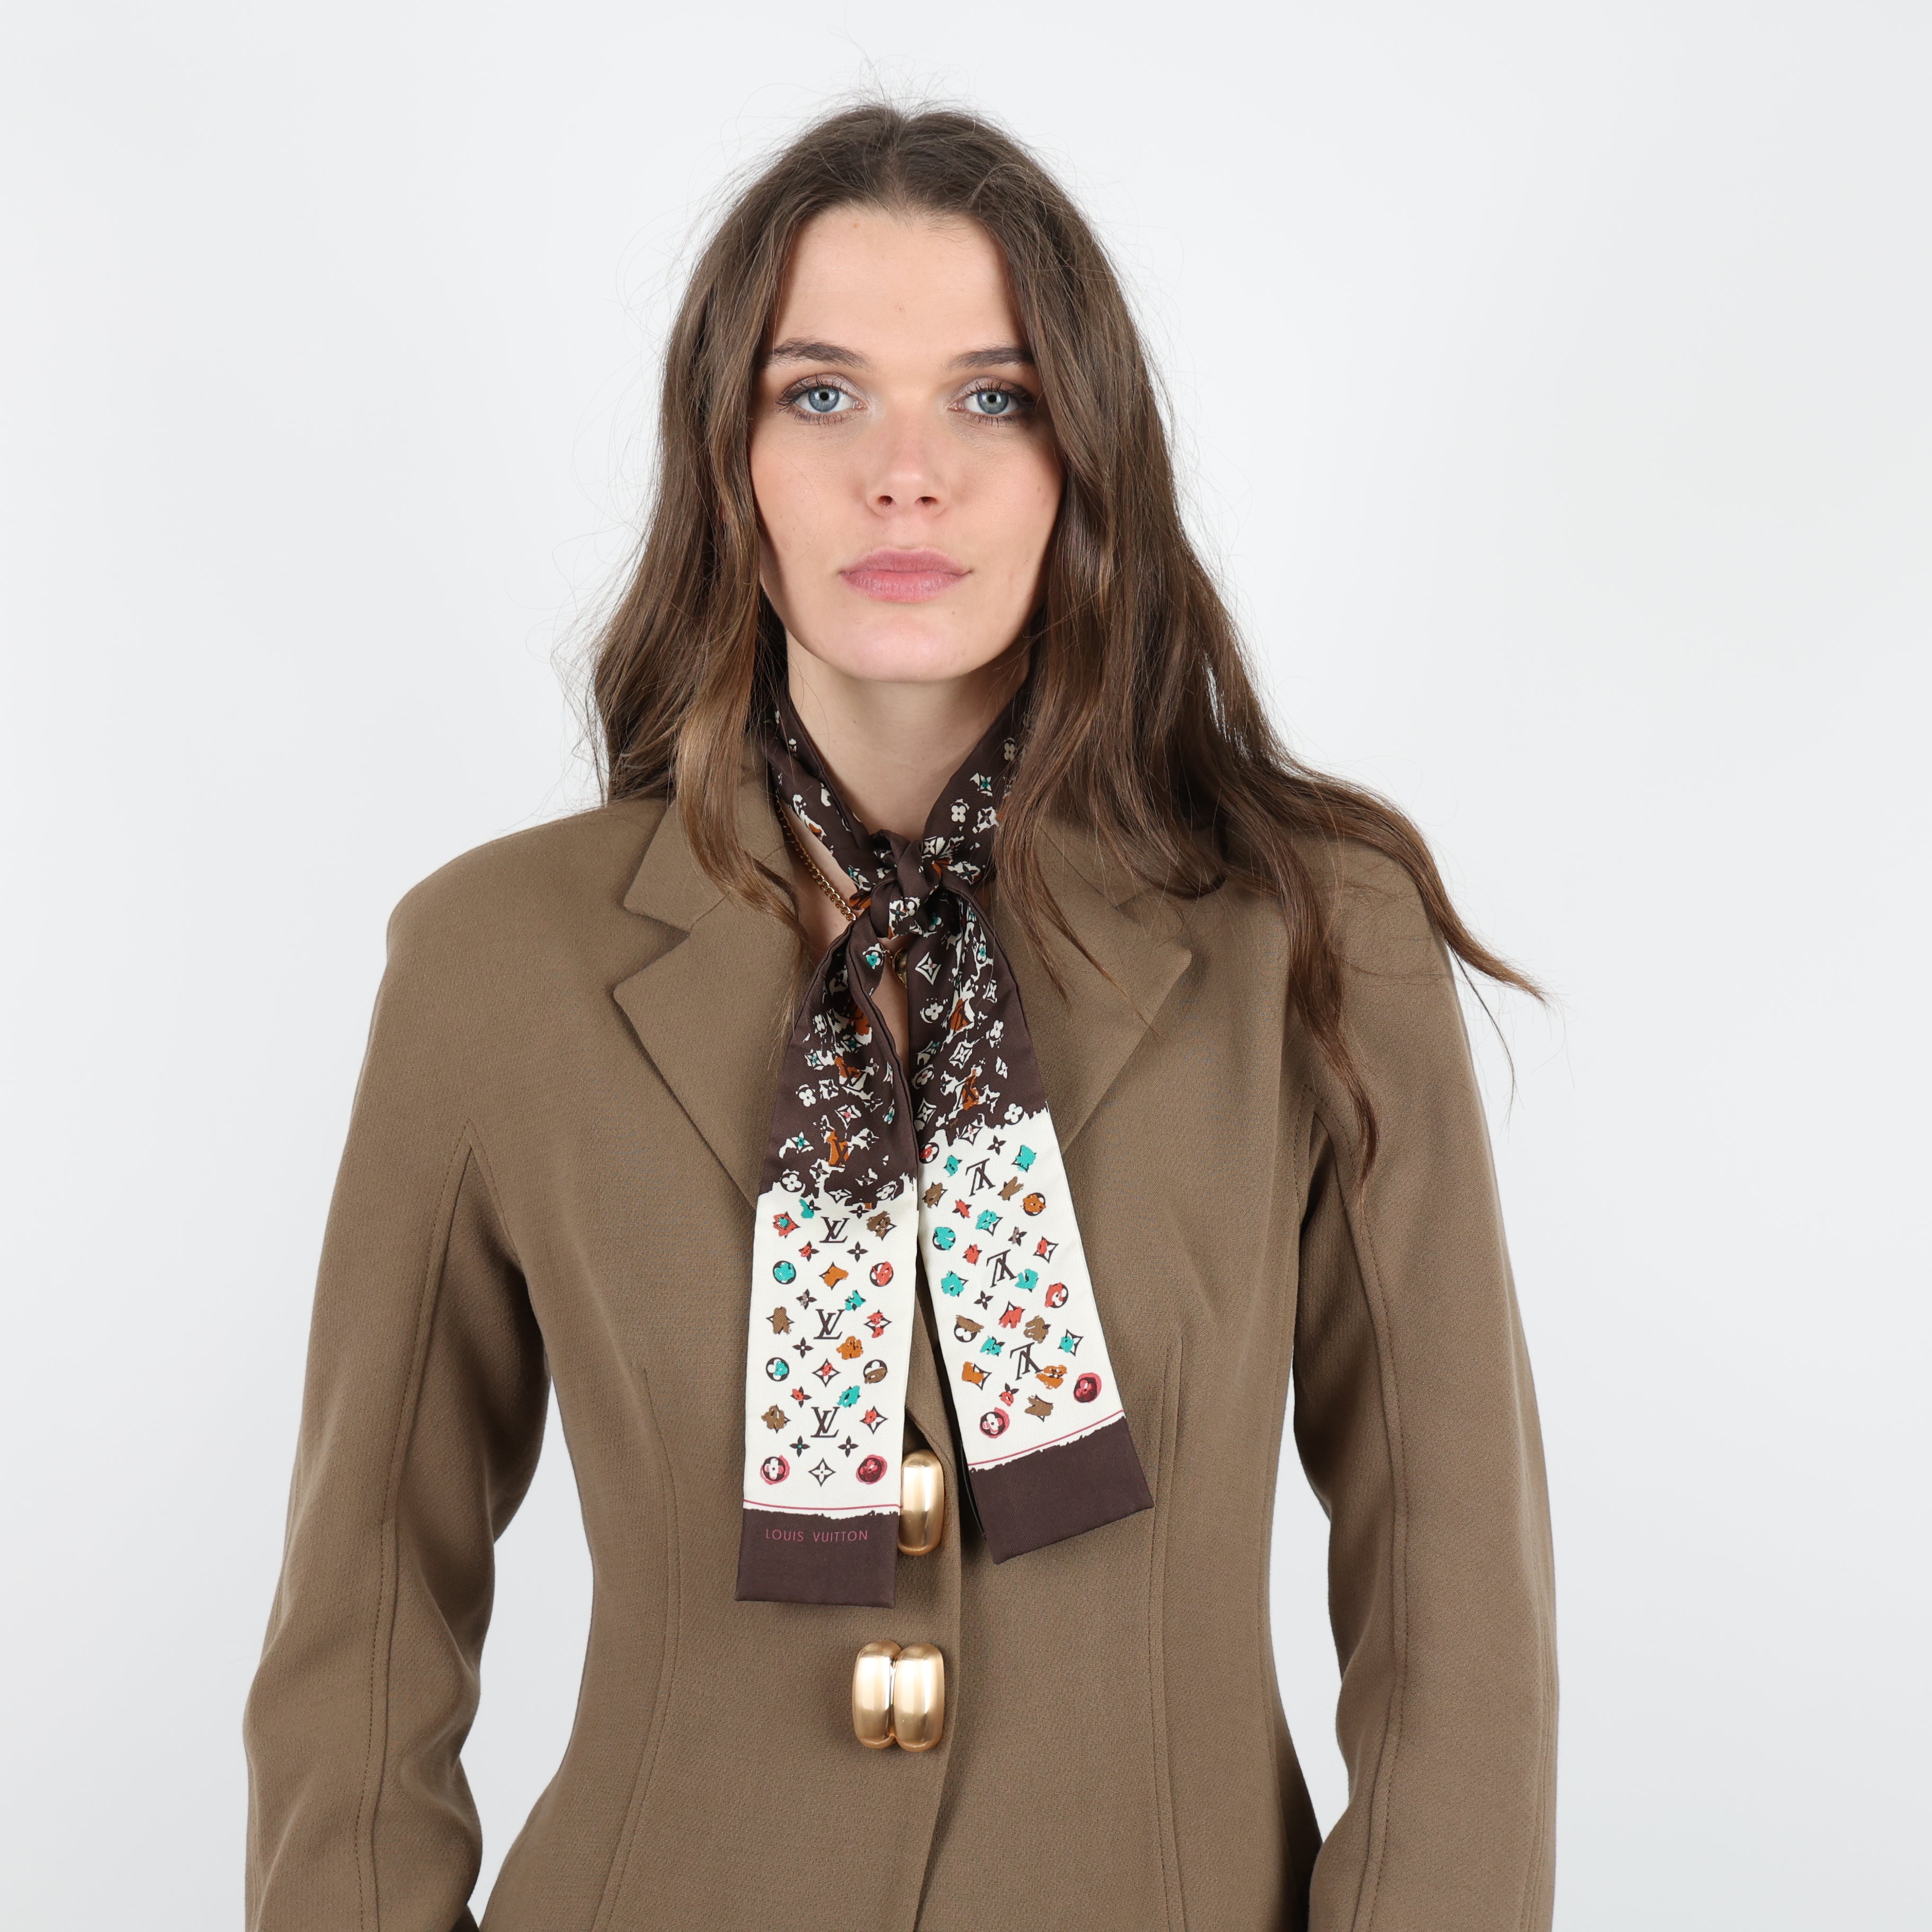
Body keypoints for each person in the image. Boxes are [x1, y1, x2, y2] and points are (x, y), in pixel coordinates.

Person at [243, 102, 1557, 1932]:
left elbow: (1455, 1612)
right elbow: (365, 1623)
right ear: (729, 461)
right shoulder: (493, 962)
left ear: (1086, 458)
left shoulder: (1316, 938)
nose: (908, 475)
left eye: (993, 398)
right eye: (824, 395)